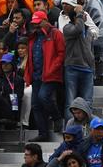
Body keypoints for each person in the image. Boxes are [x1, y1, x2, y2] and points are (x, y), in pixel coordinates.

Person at [25, 9, 65, 142]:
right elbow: (31, 57)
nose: (36, 25)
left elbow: (61, 53)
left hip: (50, 74)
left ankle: (57, 118)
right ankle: (43, 133)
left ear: (45, 21)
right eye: (34, 23)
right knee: (35, 104)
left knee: (43, 97)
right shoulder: (33, 37)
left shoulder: (55, 34)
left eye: (38, 22)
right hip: (37, 75)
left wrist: (52, 69)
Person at [59, 0, 99, 118]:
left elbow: (89, 49)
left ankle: (86, 130)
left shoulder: (88, 31)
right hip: (72, 67)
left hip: (87, 68)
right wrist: (80, 14)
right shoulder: (67, 28)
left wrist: (92, 68)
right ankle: (70, 130)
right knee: (71, 102)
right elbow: (77, 29)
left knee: (88, 102)